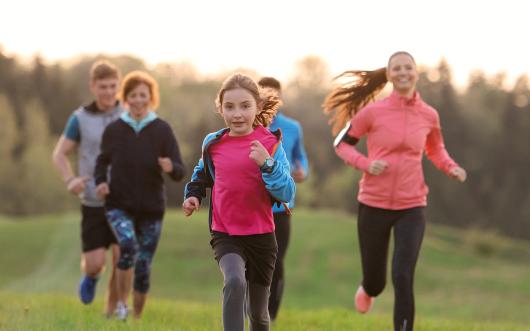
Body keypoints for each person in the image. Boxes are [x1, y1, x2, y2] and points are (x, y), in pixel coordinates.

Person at [322, 51, 467, 331]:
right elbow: (342, 144)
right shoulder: (372, 112)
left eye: (408, 67)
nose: (403, 72)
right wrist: (365, 164)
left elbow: (435, 149)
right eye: (396, 68)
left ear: (416, 72)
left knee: (403, 274)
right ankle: (368, 288)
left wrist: (450, 167)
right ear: (389, 75)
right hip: (373, 204)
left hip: (412, 205)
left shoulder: (429, 115)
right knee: (376, 281)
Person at [182, 73, 296, 331]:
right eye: (229, 107)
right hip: (226, 233)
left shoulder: (271, 144)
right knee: (234, 281)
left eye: (245, 106)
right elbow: (202, 173)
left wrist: (266, 163)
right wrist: (192, 195)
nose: (237, 114)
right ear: (220, 108)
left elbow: (287, 192)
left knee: (258, 314)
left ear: (257, 106)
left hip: (262, 237)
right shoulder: (213, 144)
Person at [94, 70, 185, 320]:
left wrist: (171, 167)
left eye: (142, 95)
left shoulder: (162, 129)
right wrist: (100, 182)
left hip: (151, 208)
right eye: (132, 95)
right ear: (126, 97)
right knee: (127, 246)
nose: (137, 100)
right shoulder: (115, 129)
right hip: (118, 204)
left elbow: (180, 170)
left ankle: (136, 318)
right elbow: (102, 162)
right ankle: (122, 306)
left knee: (143, 264)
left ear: (150, 97)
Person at [52, 60, 123, 316]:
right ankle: (92, 276)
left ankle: (111, 310)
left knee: (121, 258)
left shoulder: (128, 113)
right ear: (93, 86)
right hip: (92, 201)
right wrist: (70, 180)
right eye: (103, 86)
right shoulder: (79, 118)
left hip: (123, 201)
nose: (108, 91)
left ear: (119, 85)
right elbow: (59, 154)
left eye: (113, 86)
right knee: (95, 264)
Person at [257, 77, 308, 321]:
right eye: (264, 93)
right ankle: (253, 309)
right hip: (252, 205)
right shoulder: (248, 124)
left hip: (281, 207)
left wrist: (302, 170)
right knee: (251, 262)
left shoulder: (293, 127)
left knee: (276, 262)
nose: (269, 98)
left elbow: (301, 156)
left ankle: (271, 316)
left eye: (273, 94)